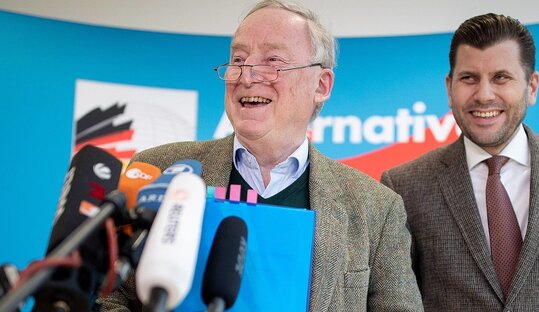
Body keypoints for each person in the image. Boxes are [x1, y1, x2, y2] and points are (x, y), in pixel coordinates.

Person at [100, 0, 423, 311]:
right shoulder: (159, 171)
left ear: (321, 85)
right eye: (238, 60)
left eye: (272, 62)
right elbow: (105, 298)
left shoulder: (376, 209)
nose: (247, 75)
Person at [381, 13, 539, 311]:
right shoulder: (404, 186)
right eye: (469, 78)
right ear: (449, 87)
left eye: (501, 77)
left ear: (531, 87)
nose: (483, 95)